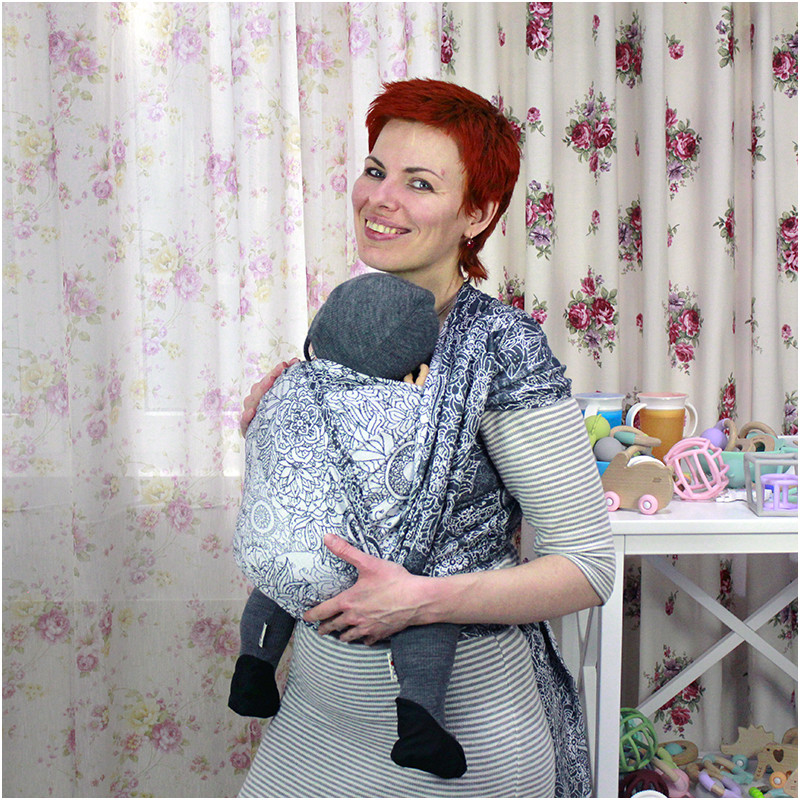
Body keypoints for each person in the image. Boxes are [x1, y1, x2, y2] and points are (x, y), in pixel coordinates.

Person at [236, 78, 616, 798]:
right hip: (315, 718)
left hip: (461, 736)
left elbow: (588, 568)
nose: (381, 198)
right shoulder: (350, 321)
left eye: (419, 183)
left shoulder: (501, 348)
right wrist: (273, 437)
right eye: (375, 170)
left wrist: (421, 601)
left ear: (477, 212)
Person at [230, 271, 468, 779]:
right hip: (363, 571)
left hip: (276, 548)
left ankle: (253, 666)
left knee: (282, 580)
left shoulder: (282, 386)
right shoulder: (420, 408)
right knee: (427, 602)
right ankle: (421, 718)